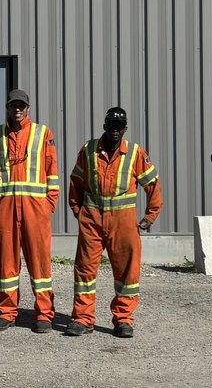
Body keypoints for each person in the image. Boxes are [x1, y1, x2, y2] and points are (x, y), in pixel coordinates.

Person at [65, 106, 162, 339]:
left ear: (125, 129)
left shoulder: (136, 153)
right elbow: (76, 182)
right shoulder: (88, 150)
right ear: (104, 127)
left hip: (123, 222)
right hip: (92, 220)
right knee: (85, 271)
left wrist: (150, 216)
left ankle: (123, 319)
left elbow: (153, 185)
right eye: (111, 126)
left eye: (119, 127)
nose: (115, 130)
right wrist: (79, 211)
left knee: (127, 273)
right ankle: (83, 319)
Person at [0, 88, 58, 333]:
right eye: (13, 105)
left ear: (27, 108)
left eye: (21, 105)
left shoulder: (41, 133)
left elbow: (52, 170)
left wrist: (49, 203)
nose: (17, 109)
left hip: (35, 209)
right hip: (5, 209)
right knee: (4, 263)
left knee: (40, 264)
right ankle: (6, 312)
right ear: (7, 107)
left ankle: (44, 314)